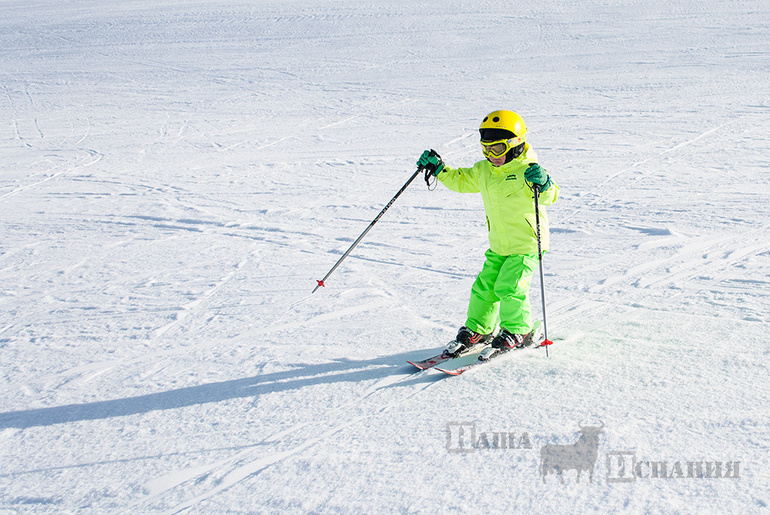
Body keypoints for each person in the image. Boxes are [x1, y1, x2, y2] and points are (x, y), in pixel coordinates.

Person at [417, 110, 559, 360]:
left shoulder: (529, 170)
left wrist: (545, 183)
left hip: (527, 244)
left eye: (496, 150)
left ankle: (519, 331)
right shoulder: (484, 170)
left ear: (515, 145)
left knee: (510, 287)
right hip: (499, 244)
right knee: (484, 288)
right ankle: (479, 331)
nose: (490, 156)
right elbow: (461, 180)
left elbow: (550, 196)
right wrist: (438, 169)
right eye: (486, 149)